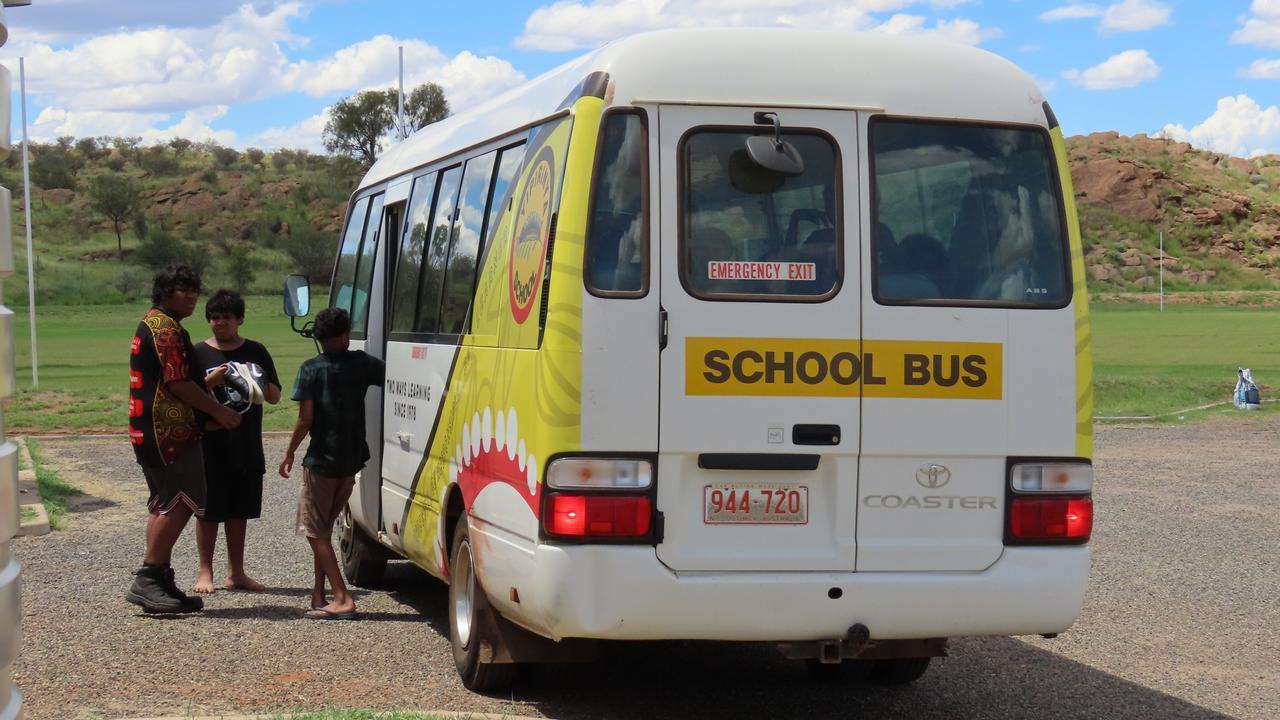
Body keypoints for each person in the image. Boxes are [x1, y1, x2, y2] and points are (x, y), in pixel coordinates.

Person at [127, 265, 242, 614]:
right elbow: (177, 385)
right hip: (168, 430)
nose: (191, 296)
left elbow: (167, 383)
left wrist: (206, 385)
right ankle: (147, 578)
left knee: (164, 500)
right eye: (182, 290)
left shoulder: (155, 323)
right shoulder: (165, 329)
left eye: (194, 289)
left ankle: (159, 579)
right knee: (184, 498)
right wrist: (218, 411)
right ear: (164, 292)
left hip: (150, 427)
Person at [278, 307, 384, 620]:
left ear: (319, 338)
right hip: (350, 462)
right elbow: (390, 374)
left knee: (315, 532)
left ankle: (342, 598)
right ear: (345, 334)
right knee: (324, 527)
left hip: (321, 461)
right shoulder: (363, 364)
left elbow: (305, 419)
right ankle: (318, 593)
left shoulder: (310, 369)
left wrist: (289, 451)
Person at [191, 289, 282, 595]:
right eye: (214, 317)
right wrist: (210, 382)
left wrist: (257, 378)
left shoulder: (256, 350)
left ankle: (237, 573)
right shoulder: (198, 353)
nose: (220, 323)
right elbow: (184, 395)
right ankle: (206, 572)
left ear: (240, 319)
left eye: (226, 317)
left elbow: (274, 397)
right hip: (208, 445)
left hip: (245, 444)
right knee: (207, 511)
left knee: (239, 510)